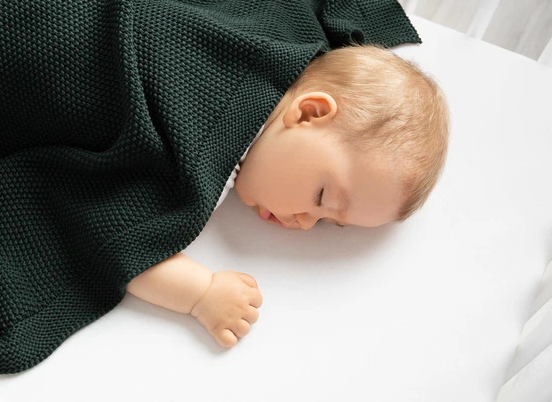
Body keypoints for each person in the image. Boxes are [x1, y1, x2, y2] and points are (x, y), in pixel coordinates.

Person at [126, 43, 451, 349]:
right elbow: (121, 241)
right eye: (321, 198)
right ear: (308, 113)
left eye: (325, 221)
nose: (305, 223)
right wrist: (201, 292)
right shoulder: (206, 151)